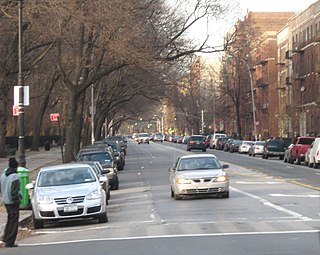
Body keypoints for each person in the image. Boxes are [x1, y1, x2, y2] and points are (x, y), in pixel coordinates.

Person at [0, 158, 21, 248]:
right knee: (13, 222)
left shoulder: (3, 175)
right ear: (16, 167)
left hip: (6, 201)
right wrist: (18, 201)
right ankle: (10, 241)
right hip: (13, 202)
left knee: (9, 220)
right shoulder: (15, 177)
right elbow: (14, 192)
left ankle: (5, 237)